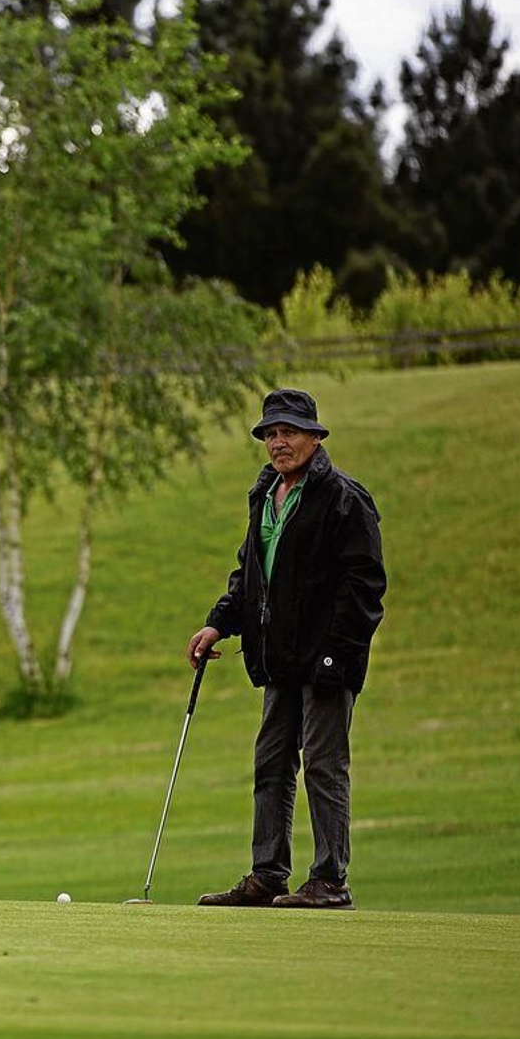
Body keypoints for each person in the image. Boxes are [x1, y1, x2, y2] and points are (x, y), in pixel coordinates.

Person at [185, 389, 386, 910]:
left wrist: (335, 655)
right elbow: (250, 574)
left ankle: (330, 881)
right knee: (271, 763)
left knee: (323, 763)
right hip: (279, 658)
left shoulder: (344, 498)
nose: (278, 442)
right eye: (270, 434)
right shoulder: (265, 495)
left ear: (315, 438)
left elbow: (364, 586)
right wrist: (218, 624)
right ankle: (268, 874)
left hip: (327, 660)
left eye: (289, 432)